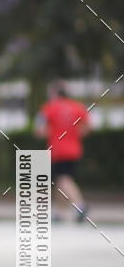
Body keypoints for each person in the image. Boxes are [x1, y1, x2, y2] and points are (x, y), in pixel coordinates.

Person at [35, 81, 90, 222]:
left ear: (54, 93)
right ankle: (59, 213)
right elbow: (86, 128)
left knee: (63, 179)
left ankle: (80, 205)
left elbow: (39, 131)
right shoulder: (77, 107)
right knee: (61, 180)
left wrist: (51, 132)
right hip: (74, 149)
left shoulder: (49, 108)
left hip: (57, 150)